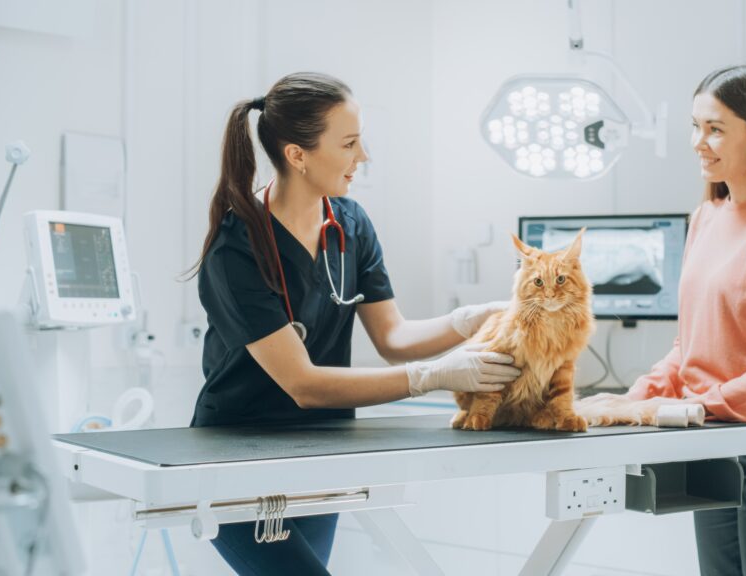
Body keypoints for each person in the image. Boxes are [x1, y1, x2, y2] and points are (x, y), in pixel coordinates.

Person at [186, 71, 520, 575]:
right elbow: (303, 384)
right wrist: (433, 377)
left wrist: (469, 321)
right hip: (240, 457)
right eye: (348, 144)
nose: (362, 157)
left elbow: (393, 338)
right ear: (297, 154)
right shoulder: (237, 249)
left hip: (325, 451)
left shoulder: (350, 224)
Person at [576, 64, 746, 576]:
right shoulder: (706, 217)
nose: (699, 143)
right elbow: (688, 347)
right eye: (695, 127)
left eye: (715, 128)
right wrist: (631, 401)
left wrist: (697, 407)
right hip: (715, 447)